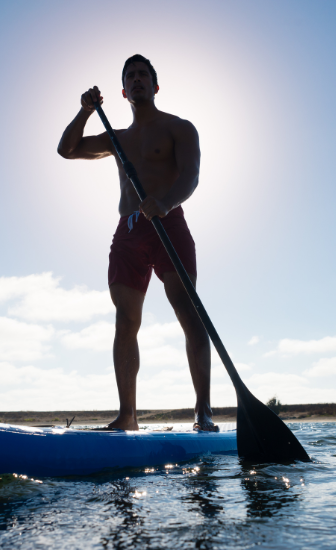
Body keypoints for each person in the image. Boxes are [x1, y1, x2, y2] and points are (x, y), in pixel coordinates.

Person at [57, 54, 217, 432]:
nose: (138, 79)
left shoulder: (180, 128)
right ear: (124, 91)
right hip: (128, 231)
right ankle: (127, 415)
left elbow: (191, 176)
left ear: (155, 86)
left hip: (168, 222)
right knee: (125, 321)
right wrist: (85, 111)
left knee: (188, 313)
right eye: (131, 76)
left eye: (144, 74)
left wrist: (164, 203)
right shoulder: (118, 139)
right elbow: (67, 149)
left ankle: (203, 411)